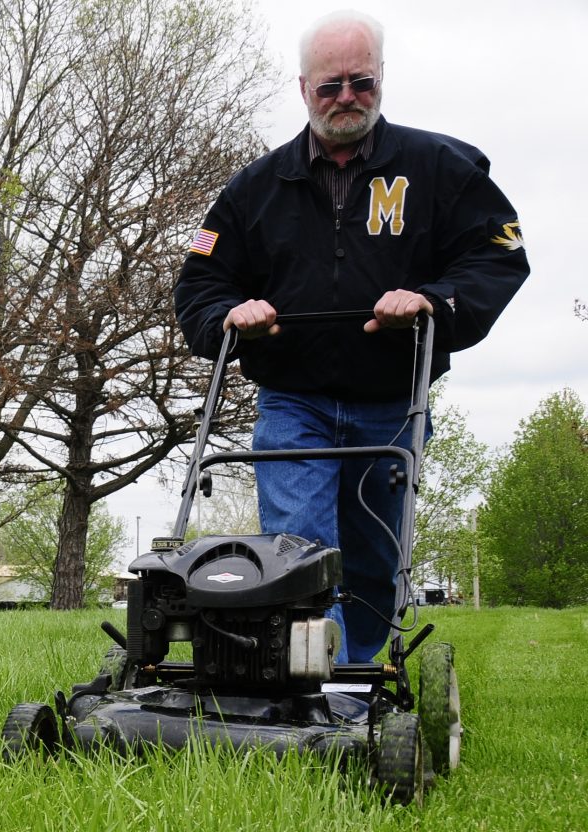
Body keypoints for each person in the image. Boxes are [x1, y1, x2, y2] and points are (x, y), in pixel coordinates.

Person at [174, 9, 528, 663]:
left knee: (372, 554)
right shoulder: (254, 190)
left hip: (391, 401)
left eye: (360, 83)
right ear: (303, 88)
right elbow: (200, 283)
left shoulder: (441, 168)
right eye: (330, 85)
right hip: (292, 400)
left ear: (381, 79)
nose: (346, 98)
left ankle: (362, 682)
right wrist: (232, 314)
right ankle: (317, 689)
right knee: (298, 552)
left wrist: (431, 300)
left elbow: (498, 257)